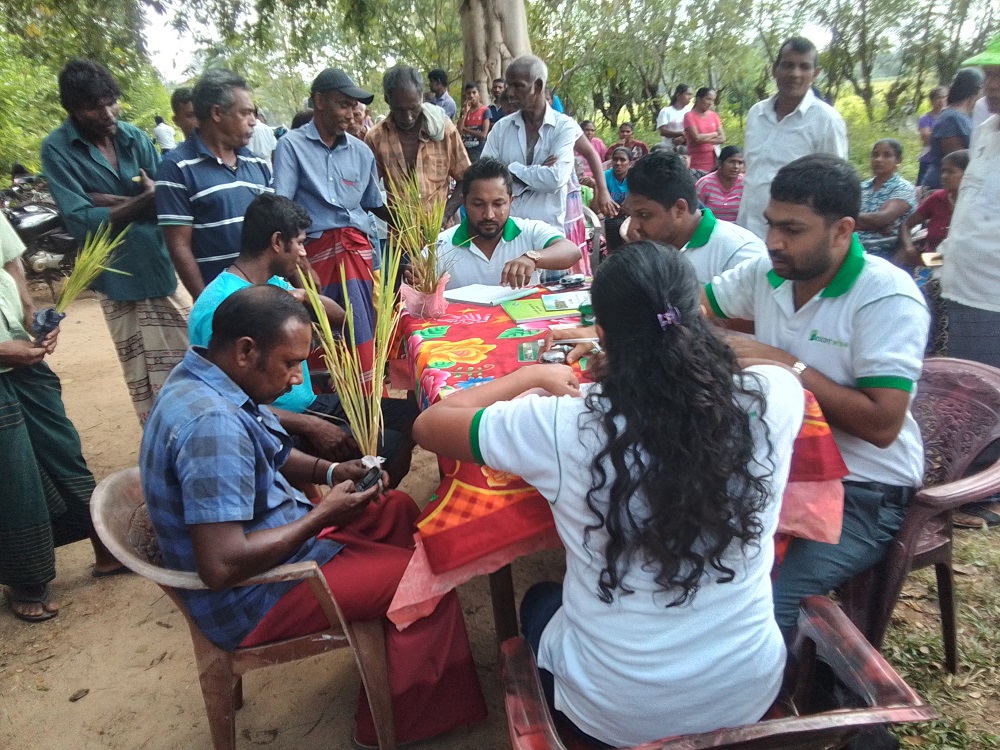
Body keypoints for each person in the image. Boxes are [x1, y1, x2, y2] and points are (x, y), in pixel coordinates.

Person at [412, 243, 803, 747]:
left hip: (614, 716)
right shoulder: (773, 397)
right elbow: (779, 367)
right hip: (745, 691)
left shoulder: (564, 424)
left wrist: (529, 375)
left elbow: (431, 424)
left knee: (539, 599)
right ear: (698, 319)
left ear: (600, 333)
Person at [141, 285, 487, 748]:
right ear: (246, 351)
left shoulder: (206, 377)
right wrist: (321, 513)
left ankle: (390, 636)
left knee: (398, 509)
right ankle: (397, 722)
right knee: (426, 578)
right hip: (255, 597)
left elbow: (272, 452)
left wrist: (330, 470)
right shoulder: (212, 426)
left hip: (278, 546)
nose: (297, 377)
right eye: (290, 363)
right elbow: (221, 565)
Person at [702, 154, 929, 633]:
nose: (773, 242)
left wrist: (788, 365)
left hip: (863, 490)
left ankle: (787, 699)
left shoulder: (886, 298)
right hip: (775, 466)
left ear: (842, 231)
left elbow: (882, 425)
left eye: (793, 229)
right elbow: (693, 306)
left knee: (763, 601)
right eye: (769, 225)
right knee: (685, 557)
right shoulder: (773, 271)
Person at [187, 194, 416, 487]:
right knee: (392, 447)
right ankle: (349, 511)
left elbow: (342, 318)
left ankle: (363, 498)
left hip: (311, 405)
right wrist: (313, 426)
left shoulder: (272, 283)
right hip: (277, 425)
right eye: (300, 243)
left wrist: (303, 295)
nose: (304, 253)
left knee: (410, 418)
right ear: (278, 242)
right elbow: (229, 401)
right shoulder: (222, 305)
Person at [41, 59, 189, 425]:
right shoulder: (56, 150)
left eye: (112, 102)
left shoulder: (134, 137)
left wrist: (103, 201)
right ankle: (161, 441)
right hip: (115, 277)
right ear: (72, 110)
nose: (108, 113)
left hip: (157, 267)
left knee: (190, 356)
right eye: (95, 107)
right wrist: (141, 200)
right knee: (140, 375)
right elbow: (79, 222)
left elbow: (167, 202)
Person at [0, 214, 125, 623]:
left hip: (22, 358)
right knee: (13, 474)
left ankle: (106, 548)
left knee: (63, 451)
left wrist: (31, 313)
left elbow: (11, 262)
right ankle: (25, 579)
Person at [273, 68, 390, 385]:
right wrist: (295, 264)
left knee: (359, 332)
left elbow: (372, 204)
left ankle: (364, 409)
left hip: (356, 256)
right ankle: (327, 417)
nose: (351, 113)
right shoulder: (291, 147)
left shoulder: (362, 151)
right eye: (343, 104)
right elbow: (281, 208)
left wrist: (408, 226)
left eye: (355, 106)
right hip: (314, 258)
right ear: (319, 102)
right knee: (320, 338)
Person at [935, 38, 1000, 526]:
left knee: (987, 389)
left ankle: (982, 489)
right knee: (967, 382)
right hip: (963, 281)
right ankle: (970, 477)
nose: (992, 88)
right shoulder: (987, 129)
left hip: (994, 290)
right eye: (990, 77)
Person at [156, 70, 274, 298]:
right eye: (245, 113)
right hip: (223, 302)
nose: (253, 121)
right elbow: (179, 246)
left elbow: (276, 229)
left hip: (268, 298)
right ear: (217, 113)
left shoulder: (257, 163)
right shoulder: (177, 168)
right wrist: (208, 306)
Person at [737, 37, 848, 240]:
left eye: (804, 67)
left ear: (815, 74)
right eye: (787, 65)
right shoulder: (756, 114)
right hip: (747, 227)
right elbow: (752, 174)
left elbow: (836, 185)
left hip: (792, 237)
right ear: (774, 70)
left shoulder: (826, 120)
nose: (795, 74)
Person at [434, 158, 580, 289]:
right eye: (478, 204)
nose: (489, 215)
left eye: (498, 204)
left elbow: (571, 251)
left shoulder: (529, 231)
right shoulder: (441, 246)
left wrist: (532, 259)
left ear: (510, 201)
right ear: (464, 203)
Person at [480, 55, 584, 233]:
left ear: (538, 86)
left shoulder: (563, 126)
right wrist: (538, 170)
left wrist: (509, 170)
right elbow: (485, 175)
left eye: (518, 86)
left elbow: (556, 178)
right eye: (509, 85)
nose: (510, 93)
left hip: (547, 232)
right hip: (505, 231)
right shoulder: (501, 128)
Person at [625, 151, 765, 283]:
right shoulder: (652, 248)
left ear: (679, 208)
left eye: (644, 215)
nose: (632, 227)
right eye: (631, 215)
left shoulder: (739, 254)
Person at [364, 66, 470, 214]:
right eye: (399, 110)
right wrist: (395, 221)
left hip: (441, 232)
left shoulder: (444, 130)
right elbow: (367, 191)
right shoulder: (376, 138)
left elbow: (466, 178)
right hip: (401, 234)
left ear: (421, 97)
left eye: (413, 108)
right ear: (387, 100)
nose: (408, 117)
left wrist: (444, 216)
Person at [896, 149, 969, 360]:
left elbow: (952, 255)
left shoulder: (973, 205)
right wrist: (909, 247)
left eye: (950, 172)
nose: (943, 177)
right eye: (943, 171)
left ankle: (940, 354)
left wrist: (923, 259)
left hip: (958, 266)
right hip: (928, 263)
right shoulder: (938, 198)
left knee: (935, 293)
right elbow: (907, 224)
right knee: (910, 294)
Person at [921, 68, 984, 190]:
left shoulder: (960, 116)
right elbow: (955, 163)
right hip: (944, 188)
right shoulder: (951, 119)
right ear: (977, 91)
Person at [855, 139, 916, 258]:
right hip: (853, 248)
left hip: (884, 252)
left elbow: (882, 218)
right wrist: (876, 225)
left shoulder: (903, 188)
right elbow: (842, 218)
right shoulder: (862, 187)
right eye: (875, 155)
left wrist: (851, 218)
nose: (878, 159)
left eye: (887, 155)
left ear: (898, 161)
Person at [696, 145, 745, 223]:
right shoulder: (705, 184)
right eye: (732, 162)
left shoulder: (745, 184)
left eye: (740, 163)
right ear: (720, 163)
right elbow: (696, 212)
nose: (736, 166)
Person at [683, 87, 724, 173]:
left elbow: (722, 138)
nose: (710, 103)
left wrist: (700, 140)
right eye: (708, 99)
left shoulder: (714, 115)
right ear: (698, 98)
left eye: (713, 100)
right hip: (695, 160)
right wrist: (714, 134)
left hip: (712, 160)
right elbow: (696, 138)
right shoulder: (689, 116)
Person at [601, 147, 631, 252]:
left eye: (622, 160)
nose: (618, 163)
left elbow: (630, 206)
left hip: (628, 217)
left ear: (630, 163)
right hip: (608, 218)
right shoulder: (604, 176)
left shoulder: (634, 177)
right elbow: (600, 207)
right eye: (615, 159)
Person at [917, 86, 947, 187]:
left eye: (944, 97)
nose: (942, 100)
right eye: (938, 98)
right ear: (931, 101)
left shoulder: (951, 116)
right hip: (928, 160)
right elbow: (926, 139)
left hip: (946, 160)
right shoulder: (925, 119)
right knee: (923, 189)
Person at [459, 82, 491, 162]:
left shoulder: (485, 110)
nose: (471, 96)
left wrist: (466, 130)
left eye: (474, 92)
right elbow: (459, 130)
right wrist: (465, 113)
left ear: (479, 94)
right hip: (465, 150)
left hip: (478, 151)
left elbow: (483, 135)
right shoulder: (464, 111)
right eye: (468, 93)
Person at [656, 84, 692, 149]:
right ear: (678, 95)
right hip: (668, 147)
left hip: (686, 147)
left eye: (691, 95)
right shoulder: (666, 111)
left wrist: (684, 138)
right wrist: (680, 134)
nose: (690, 97)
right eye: (687, 94)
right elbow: (663, 131)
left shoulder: (690, 111)